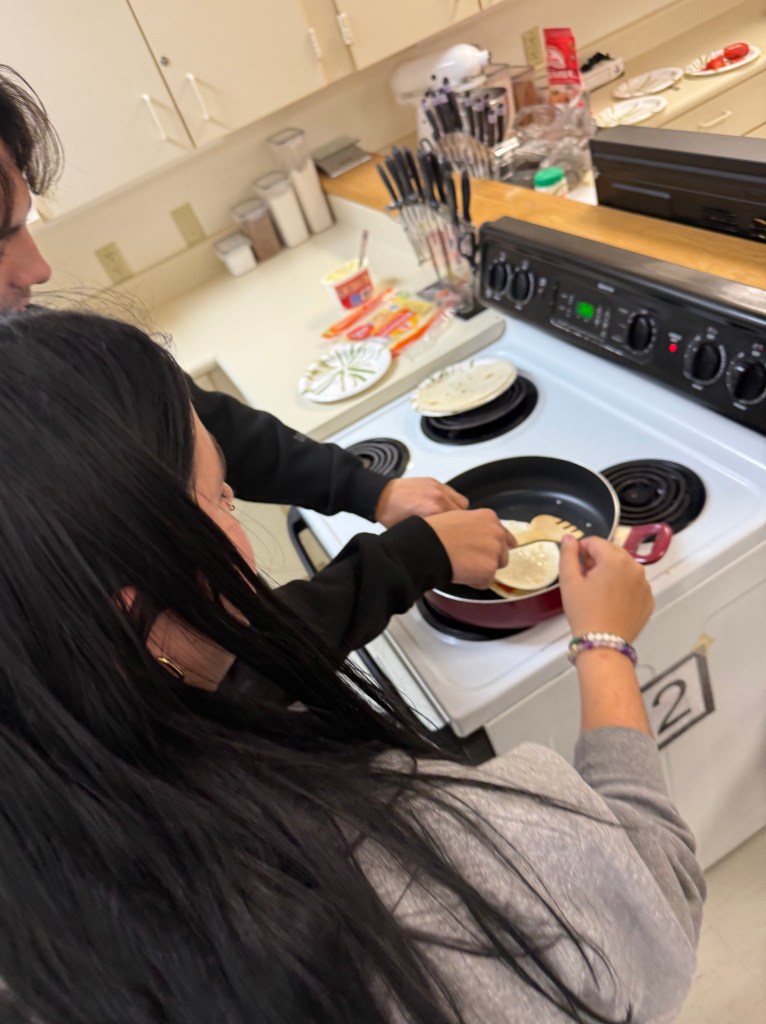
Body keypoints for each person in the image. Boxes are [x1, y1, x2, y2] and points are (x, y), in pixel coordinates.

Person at [0, 308, 704, 1023]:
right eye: (218, 497)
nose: (39, 265)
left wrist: (396, 533)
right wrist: (605, 644)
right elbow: (660, 901)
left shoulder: (49, 828)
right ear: (130, 611)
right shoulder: (411, 868)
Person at [0, 64, 512, 658]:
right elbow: (203, 659)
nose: (39, 270)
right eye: (1, 240)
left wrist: (370, 492)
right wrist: (408, 561)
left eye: (24, 224)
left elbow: (204, 424)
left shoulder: (29, 348)